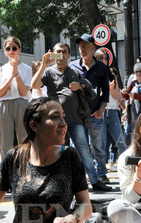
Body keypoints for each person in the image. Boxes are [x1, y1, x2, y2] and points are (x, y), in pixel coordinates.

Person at [31, 42, 98, 190]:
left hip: (75, 119)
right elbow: (34, 85)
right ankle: (60, 184)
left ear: (68, 55)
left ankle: (95, 181)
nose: (61, 54)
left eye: (64, 52)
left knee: (84, 150)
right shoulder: (48, 71)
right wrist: (43, 64)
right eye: (58, 52)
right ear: (53, 54)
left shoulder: (75, 71)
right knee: (58, 153)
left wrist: (79, 86)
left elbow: (90, 92)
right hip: (56, 122)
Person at [71, 33, 112, 189]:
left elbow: (106, 90)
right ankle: (82, 175)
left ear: (93, 48)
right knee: (79, 148)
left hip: (95, 113)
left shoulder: (101, 67)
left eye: (86, 46)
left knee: (98, 146)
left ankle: (102, 174)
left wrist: (102, 108)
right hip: (78, 115)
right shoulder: (73, 66)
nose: (82, 49)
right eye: (81, 46)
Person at [0, 37, 31, 159]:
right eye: (8, 48)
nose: (11, 51)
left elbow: (23, 91)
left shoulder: (27, 69)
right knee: (5, 140)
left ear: (19, 50)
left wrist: (17, 74)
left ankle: (25, 166)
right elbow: (0, 93)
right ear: (5, 51)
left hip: (22, 103)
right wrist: (12, 75)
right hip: (5, 104)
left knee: (24, 138)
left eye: (14, 48)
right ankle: (7, 168)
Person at [106, 66, 127, 172]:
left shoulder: (116, 89)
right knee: (102, 143)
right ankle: (105, 166)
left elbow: (120, 100)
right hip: (103, 112)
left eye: (114, 76)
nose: (112, 79)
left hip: (114, 112)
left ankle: (126, 165)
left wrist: (113, 89)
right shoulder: (102, 85)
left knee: (119, 141)